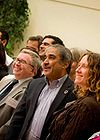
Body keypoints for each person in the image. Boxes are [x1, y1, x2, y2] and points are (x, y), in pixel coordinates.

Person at [5, 44, 76, 140]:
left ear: (65, 64)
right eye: (44, 58)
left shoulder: (74, 92)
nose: (45, 62)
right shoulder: (34, 84)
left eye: (51, 57)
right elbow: (18, 118)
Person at [46, 51, 100, 140]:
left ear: (96, 73)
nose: (77, 70)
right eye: (79, 65)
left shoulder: (86, 105)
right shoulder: (86, 100)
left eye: (84, 66)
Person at [0, 48, 41, 140]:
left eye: (22, 62)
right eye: (17, 59)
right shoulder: (6, 79)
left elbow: (11, 123)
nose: (17, 63)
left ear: (33, 71)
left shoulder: (29, 90)